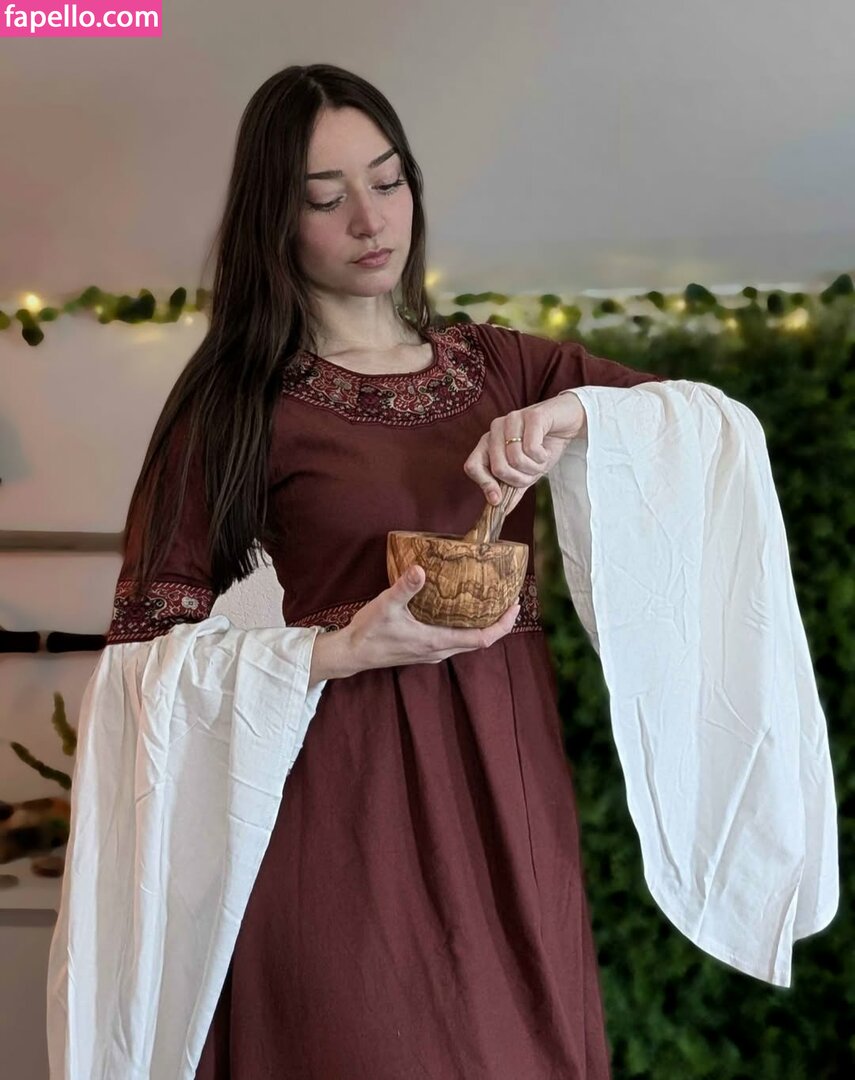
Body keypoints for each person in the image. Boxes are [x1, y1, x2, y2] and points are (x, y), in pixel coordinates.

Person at [46, 64, 838, 1080]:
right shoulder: (240, 402)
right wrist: (329, 651)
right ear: (273, 220)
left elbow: (711, 429)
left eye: (387, 181)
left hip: (509, 791)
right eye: (325, 198)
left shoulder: (502, 368)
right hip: (342, 802)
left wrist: (577, 414)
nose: (370, 219)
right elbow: (142, 654)